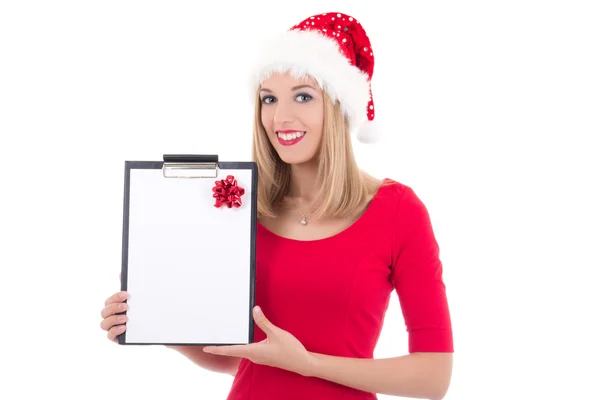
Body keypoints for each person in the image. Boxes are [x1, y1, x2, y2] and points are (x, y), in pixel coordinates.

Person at [100, 11, 454, 400]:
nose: (280, 118)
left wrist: (307, 364)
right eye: (269, 99)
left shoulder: (397, 211)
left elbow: (432, 377)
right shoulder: (243, 207)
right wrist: (153, 322)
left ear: (338, 106)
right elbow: (243, 355)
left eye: (303, 96)